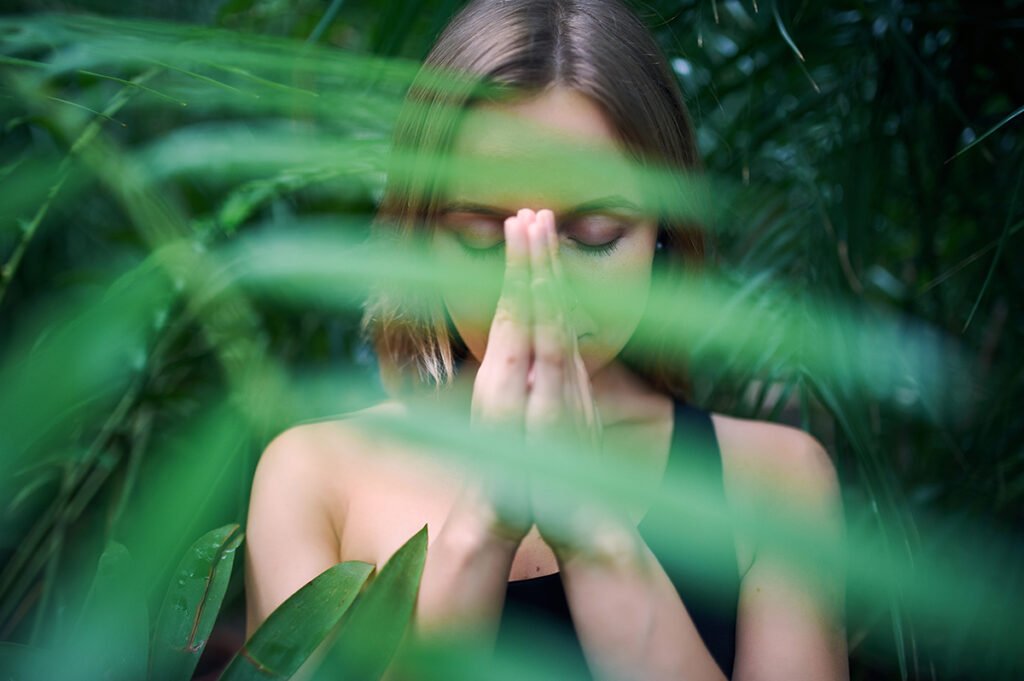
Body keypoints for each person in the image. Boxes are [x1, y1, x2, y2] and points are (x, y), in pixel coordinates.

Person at [244, 1, 849, 680]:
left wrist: (594, 534)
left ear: (663, 234)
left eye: (593, 237)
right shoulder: (316, 476)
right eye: (480, 234)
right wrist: (483, 522)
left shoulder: (773, 484)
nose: (537, 286)